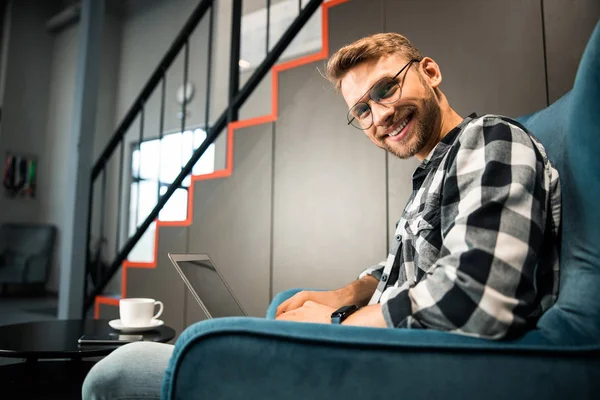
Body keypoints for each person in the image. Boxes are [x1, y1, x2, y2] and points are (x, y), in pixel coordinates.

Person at [83, 32, 561, 399]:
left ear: (430, 72)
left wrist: (335, 323)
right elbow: (410, 261)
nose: (380, 116)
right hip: (382, 348)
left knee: (119, 371)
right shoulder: (438, 168)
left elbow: (478, 298)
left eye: (387, 89)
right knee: (265, 316)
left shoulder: (490, 139)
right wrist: (344, 293)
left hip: (404, 365)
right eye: (362, 110)